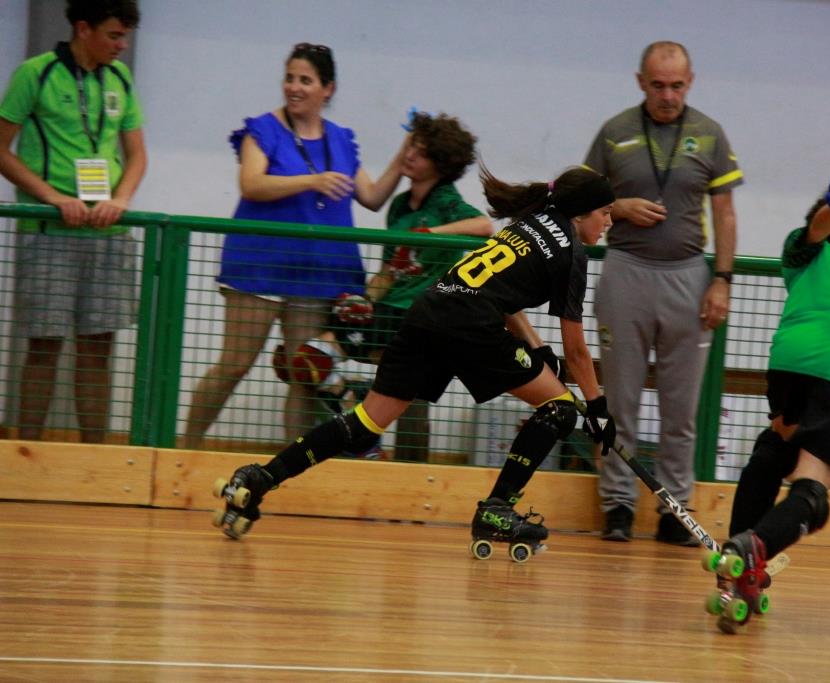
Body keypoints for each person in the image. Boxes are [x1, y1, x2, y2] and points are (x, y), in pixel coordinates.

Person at [212, 166, 619, 552]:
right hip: (470, 325)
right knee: (561, 409)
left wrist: (537, 349)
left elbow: (505, 298)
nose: (609, 223)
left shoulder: (527, 224)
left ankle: (260, 478)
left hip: (431, 310)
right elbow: (578, 351)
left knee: (366, 422)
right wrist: (598, 407)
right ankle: (497, 509)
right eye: (605, 213)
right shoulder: (571, 254)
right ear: (581, 212)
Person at [183, 43, 408, 449]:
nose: (294, 87)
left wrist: (404, 153)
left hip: (319, 276)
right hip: (260, 269)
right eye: (290, 77)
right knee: (235, 363)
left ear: (328, 89)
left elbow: (372, 196)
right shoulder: (262, 130)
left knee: (304, 374)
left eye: (305, 80)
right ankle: (183, 449)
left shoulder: (341, 140)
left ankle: (289, 468)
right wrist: (312, 180)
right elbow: (252, 183)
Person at [710, 169, 830, 630]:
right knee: (814, 496)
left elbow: (815, 230)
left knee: (775, 452)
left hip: (789, 366)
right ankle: (752, 549)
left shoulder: (803, 254)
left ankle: (735, 572)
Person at [583, 41, 742, 544]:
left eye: (676, 85)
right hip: (626, 271)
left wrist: (722, 279)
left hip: (690, 278)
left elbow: (726, 214)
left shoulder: (709, 134)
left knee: (681, 410)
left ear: (690, 81)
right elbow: (578, 203)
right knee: (620, 403)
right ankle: (617, 507)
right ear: (640, 82)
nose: (668, 95)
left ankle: (675, 510)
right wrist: (619, 206)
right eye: (657, 85)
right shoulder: (614, 133)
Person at [300, 110, 493, 461]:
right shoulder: (401, 205)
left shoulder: (445, 201)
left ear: (439, 164)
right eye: (411, 147)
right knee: (312, 358)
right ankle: (362, 427)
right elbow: (390, 271)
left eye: (419, 152)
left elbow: (483, 226)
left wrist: (431, 233)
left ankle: (400, 462)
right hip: (390, 311)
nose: (409, 155)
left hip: (423, 316)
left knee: (411, 397)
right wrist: (363, 299)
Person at [0, 0, 146, 444]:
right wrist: (52, 198)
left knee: (98, 347)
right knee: (44, 346)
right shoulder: (36, 73)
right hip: (49, 233)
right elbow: (2, 148)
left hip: (107, 234)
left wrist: (119, 199)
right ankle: (25, 454)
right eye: (114, 35)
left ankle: (95, 457)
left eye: (125, 36)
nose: (122, 45)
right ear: (83, 29)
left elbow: (137, 155)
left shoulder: (120, 77)